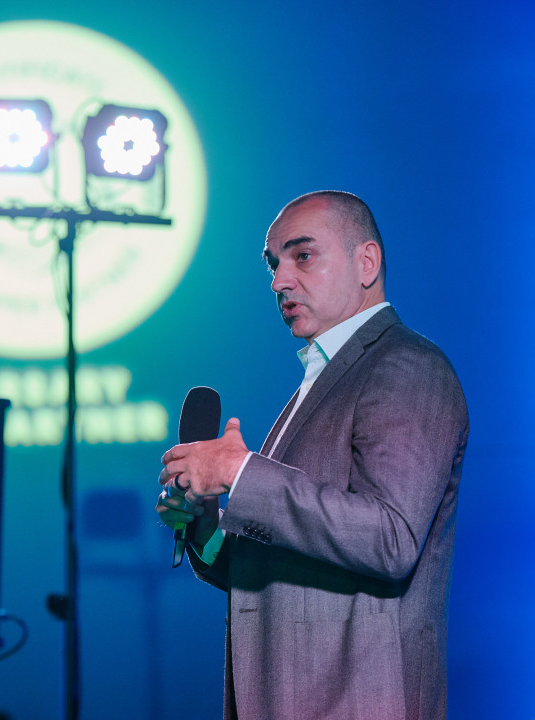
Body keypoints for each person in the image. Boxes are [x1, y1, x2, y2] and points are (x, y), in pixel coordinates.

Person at [156, 191, 468, 720]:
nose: (279, 280)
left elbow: (391, 539)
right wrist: (205, 525)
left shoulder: (407, 366)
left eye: (302, 256)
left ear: (366, 263)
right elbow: (280, 571)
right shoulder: (321, 380)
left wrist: (239, 472)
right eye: (273, 264)